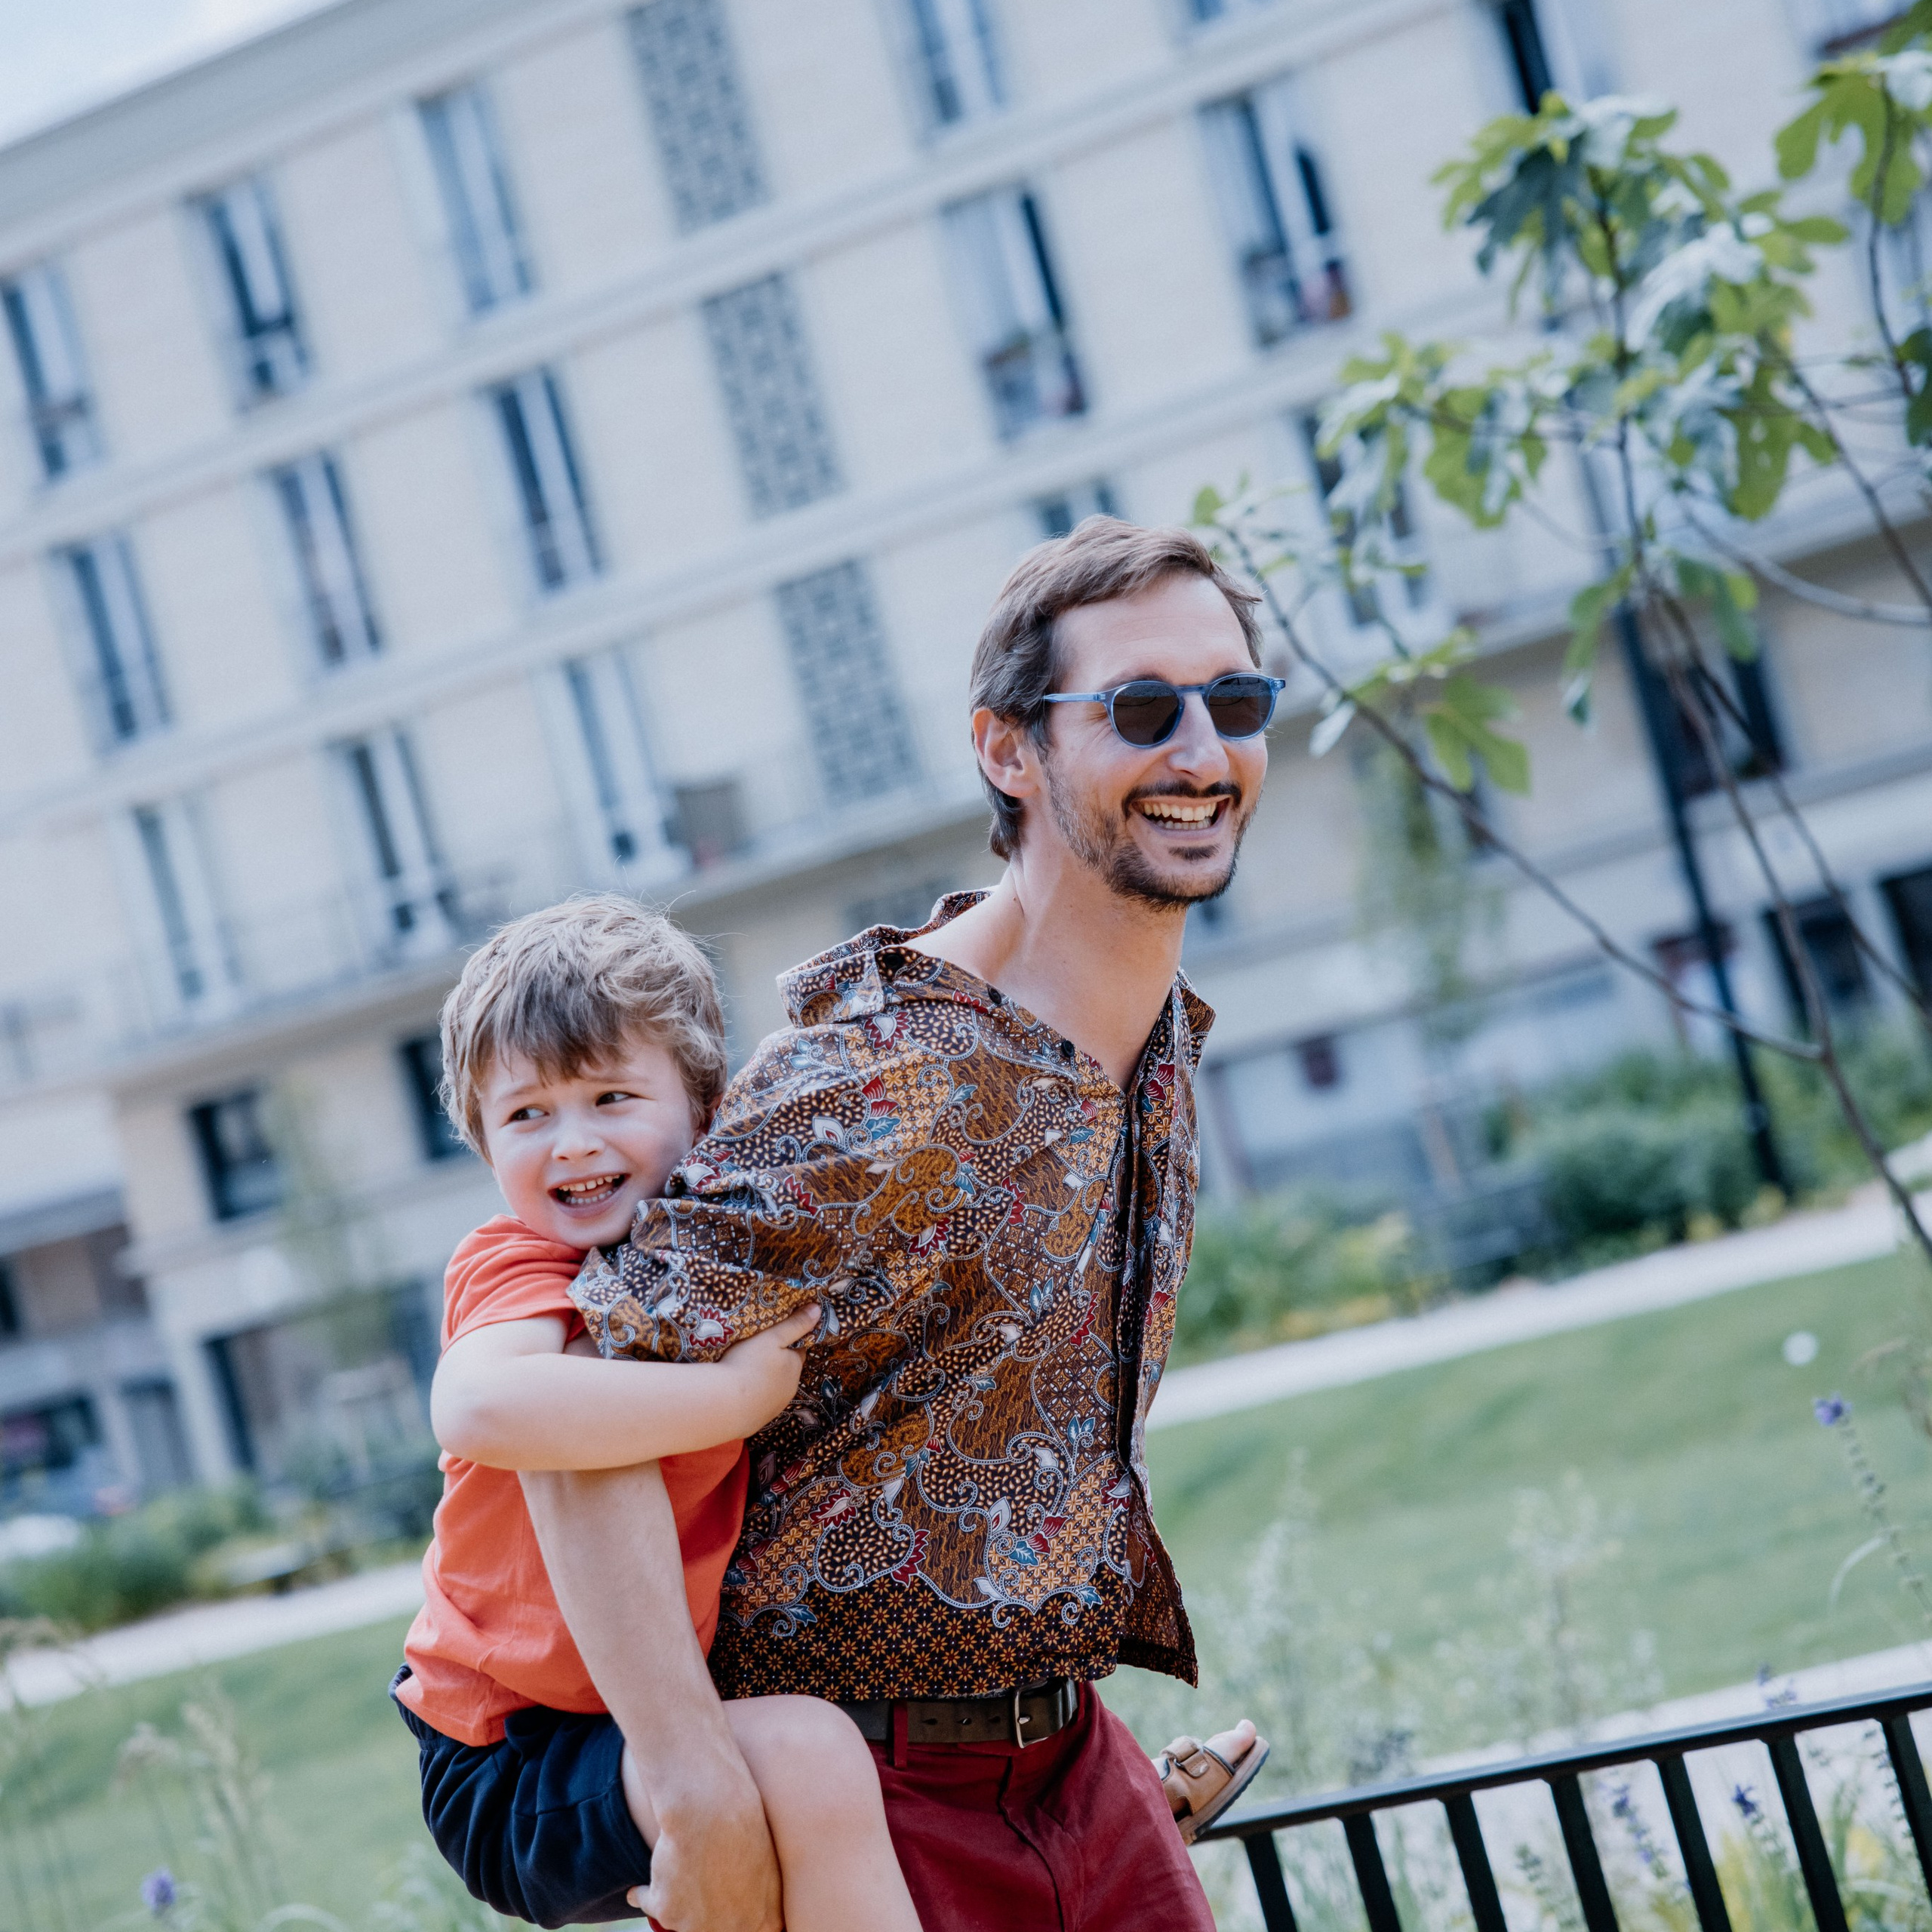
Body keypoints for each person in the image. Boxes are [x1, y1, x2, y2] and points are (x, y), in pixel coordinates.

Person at [536, 516, 1278, 1931]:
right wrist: (695, 1787)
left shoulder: (1158, 1038)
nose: (1201, 752)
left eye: (1234, 703)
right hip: (874, 1816)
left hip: (1077, 1770)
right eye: (1138, 708)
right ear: (1009, 750)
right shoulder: (884, 1075)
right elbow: (586, 1413)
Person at [389, 897, 923, 1931]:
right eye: (527, 1115)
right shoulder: (522, 1265)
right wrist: (730, 1398)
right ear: (481, 1142)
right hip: (506, 1746)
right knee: (810, 1755)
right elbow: (482, 1405)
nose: (572, 1143)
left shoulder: (719, 1253)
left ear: (705, 1101)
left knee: (826, 1775)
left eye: (611, 1096)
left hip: (632, 1720)